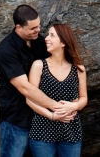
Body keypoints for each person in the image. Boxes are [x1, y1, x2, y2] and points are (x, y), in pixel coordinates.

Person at [0, 5, 78, 157]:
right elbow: (25, 88)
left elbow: (58, 61)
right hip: (17, 120)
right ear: (18, 27)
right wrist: (57, 109)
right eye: (33, 28)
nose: (38, 30)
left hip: (41, 119)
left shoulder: (39, 41)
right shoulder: (5, 50)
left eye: (39, 25)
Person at [26, 24, 87, 157]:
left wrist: (75, 105)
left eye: (52, 35)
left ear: (63, 42)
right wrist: (52, 115)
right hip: (42, 131)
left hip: (71, 131)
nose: (46, 38)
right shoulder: (39, 65)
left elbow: (84, 98)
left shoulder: (79, 68)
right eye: (47, 35)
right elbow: (29, 99)